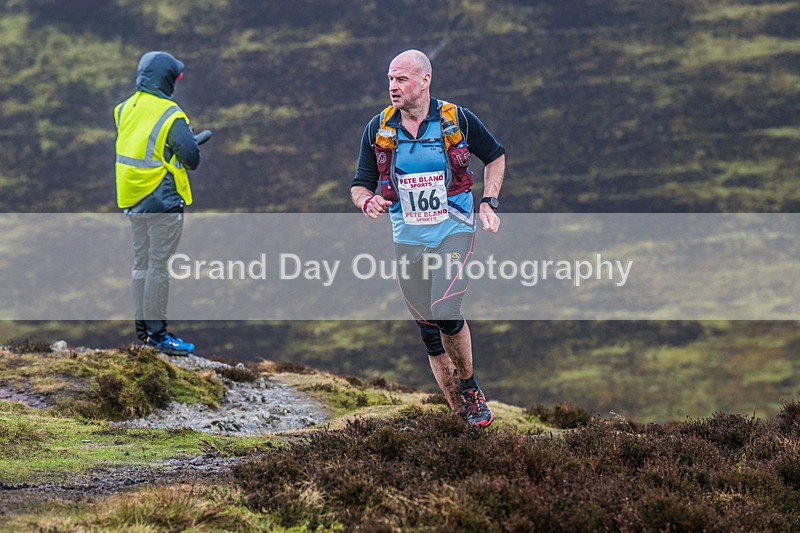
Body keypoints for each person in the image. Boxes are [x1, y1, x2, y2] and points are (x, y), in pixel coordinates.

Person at [351, 49, 506, 427]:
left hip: (454, 229)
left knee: (445, 311)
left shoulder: (457, 119)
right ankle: (460, 416)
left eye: (401, 79)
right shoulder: (378, 128)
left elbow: (496, 156)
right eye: (390, 79)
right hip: (408, 239)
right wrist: (366, 201)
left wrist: (488, 202)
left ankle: (470, 386)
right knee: (428, 332)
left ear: (425, 80)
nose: (393, 87)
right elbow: (359, 185)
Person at [114, 51, 211, 356]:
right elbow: (191, 159)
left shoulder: (123, 109)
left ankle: (143, 332)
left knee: (141, 264)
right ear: (166, 79)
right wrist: (192, 142)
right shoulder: (171, 114)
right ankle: (159, 336)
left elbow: (145, 146)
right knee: (159, 266)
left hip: (133, 198)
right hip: (163, 201)